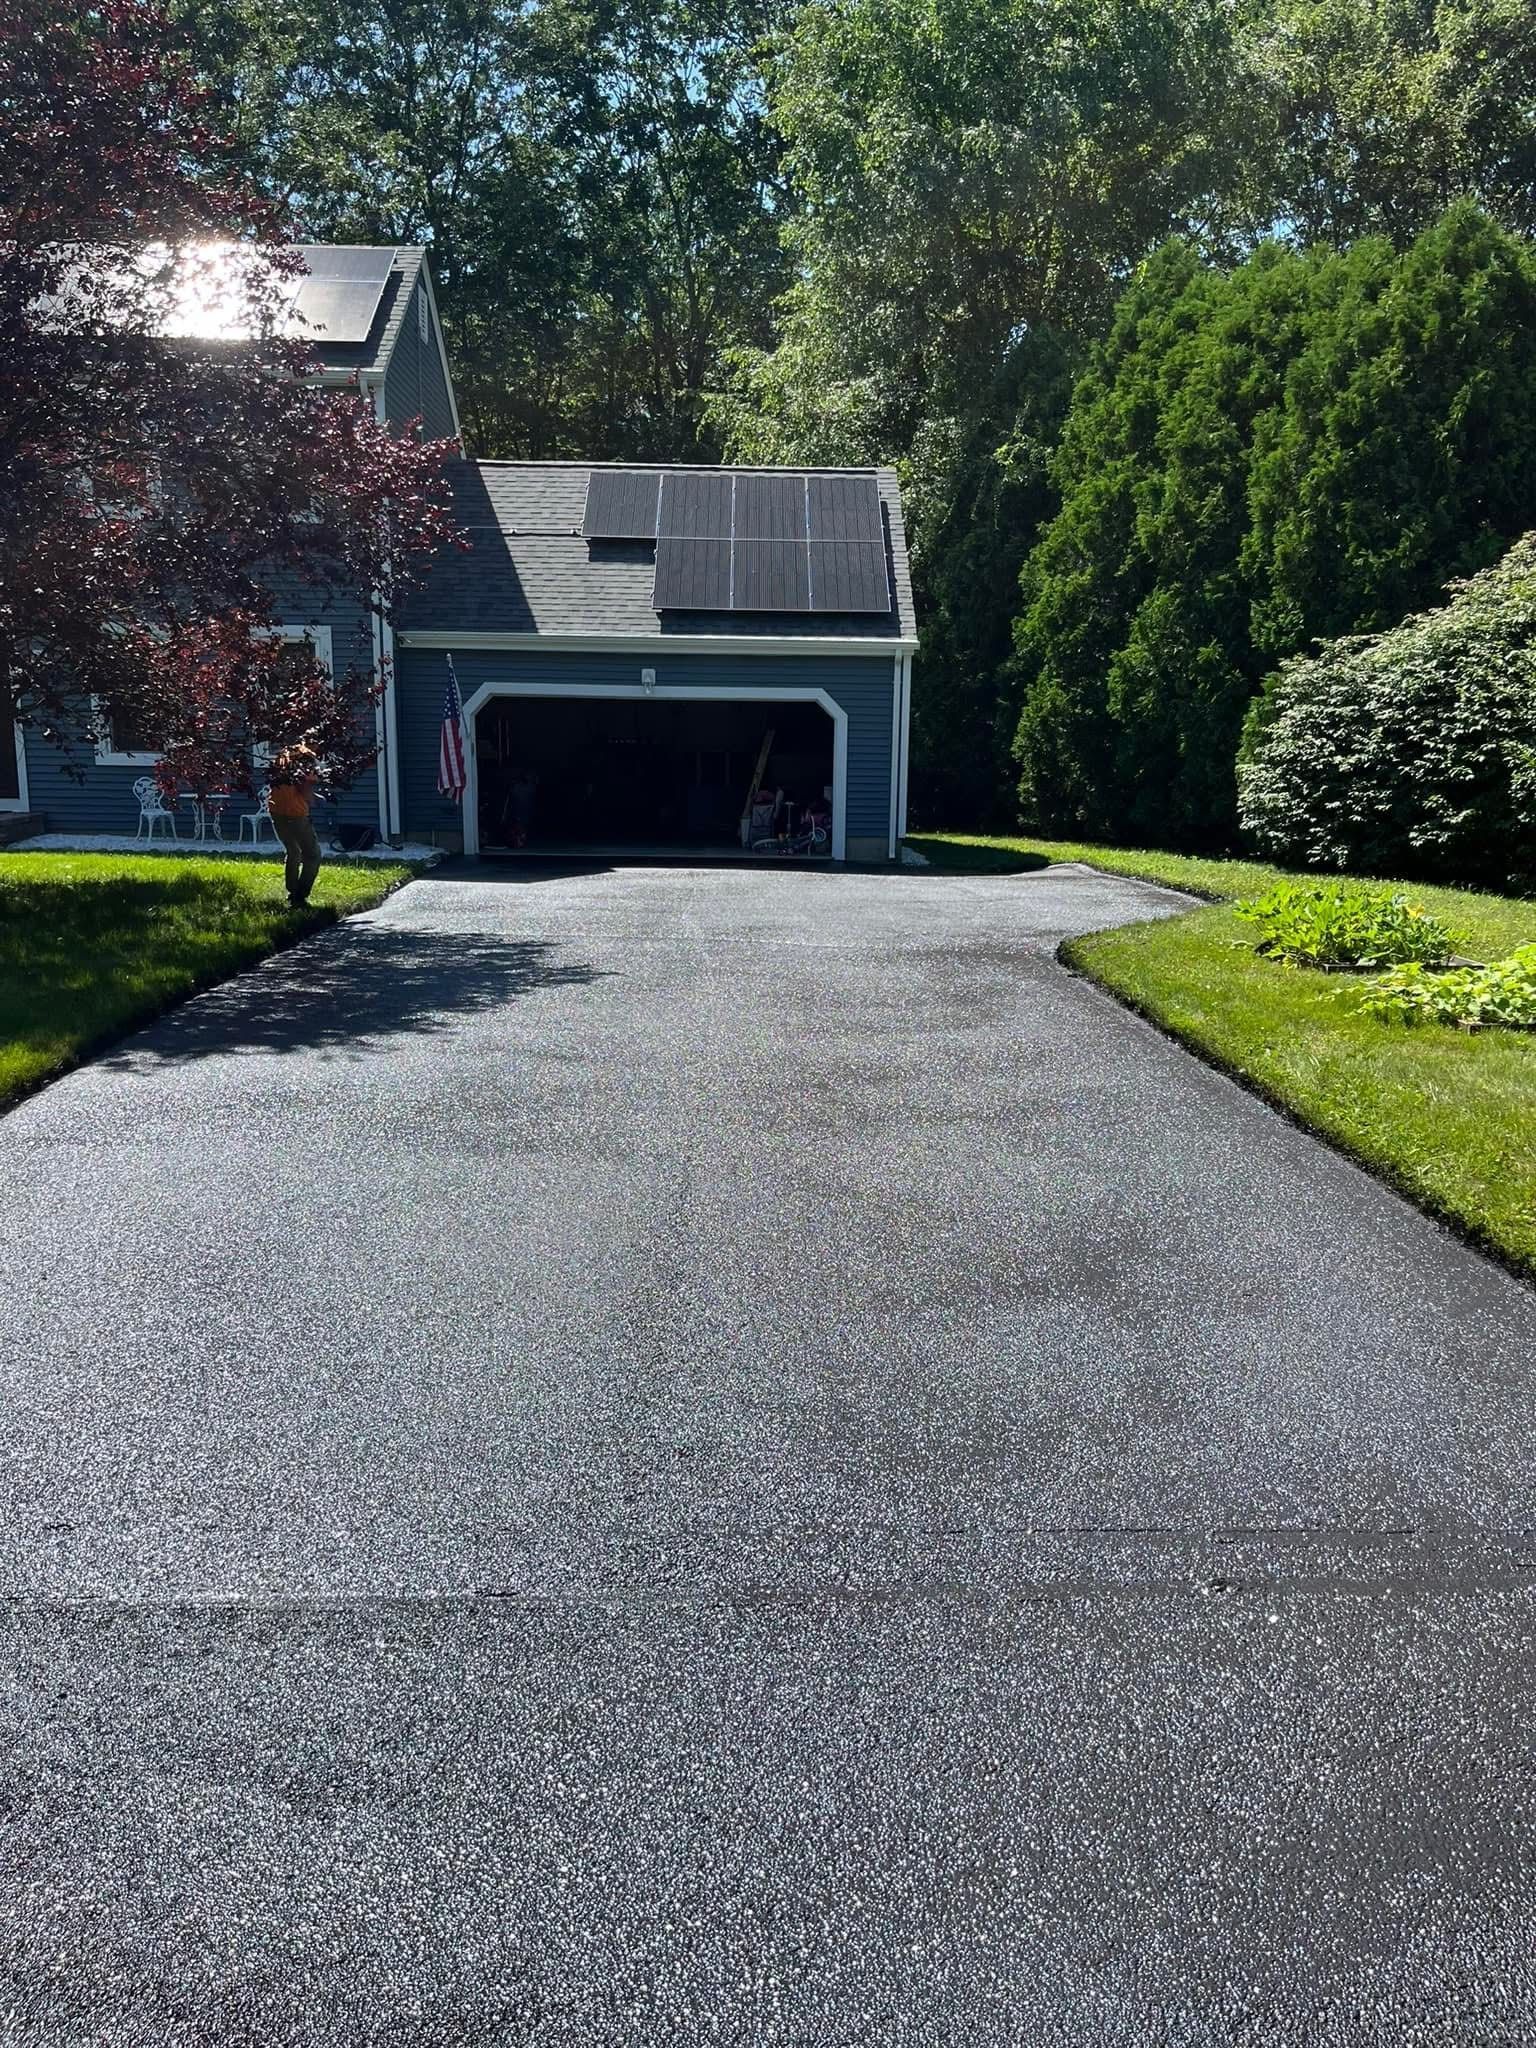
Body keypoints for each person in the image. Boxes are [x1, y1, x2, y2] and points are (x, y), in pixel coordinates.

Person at [268, 744, 323, 907]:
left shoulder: (283, 755)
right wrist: (313, 801)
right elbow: (305, 788)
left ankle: (292, 891)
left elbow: (288, 786)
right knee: (313, 855)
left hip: (276, 810)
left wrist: (313, 795)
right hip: (296, 814)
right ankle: (300, 896)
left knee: (293, 851)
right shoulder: (306, 757)